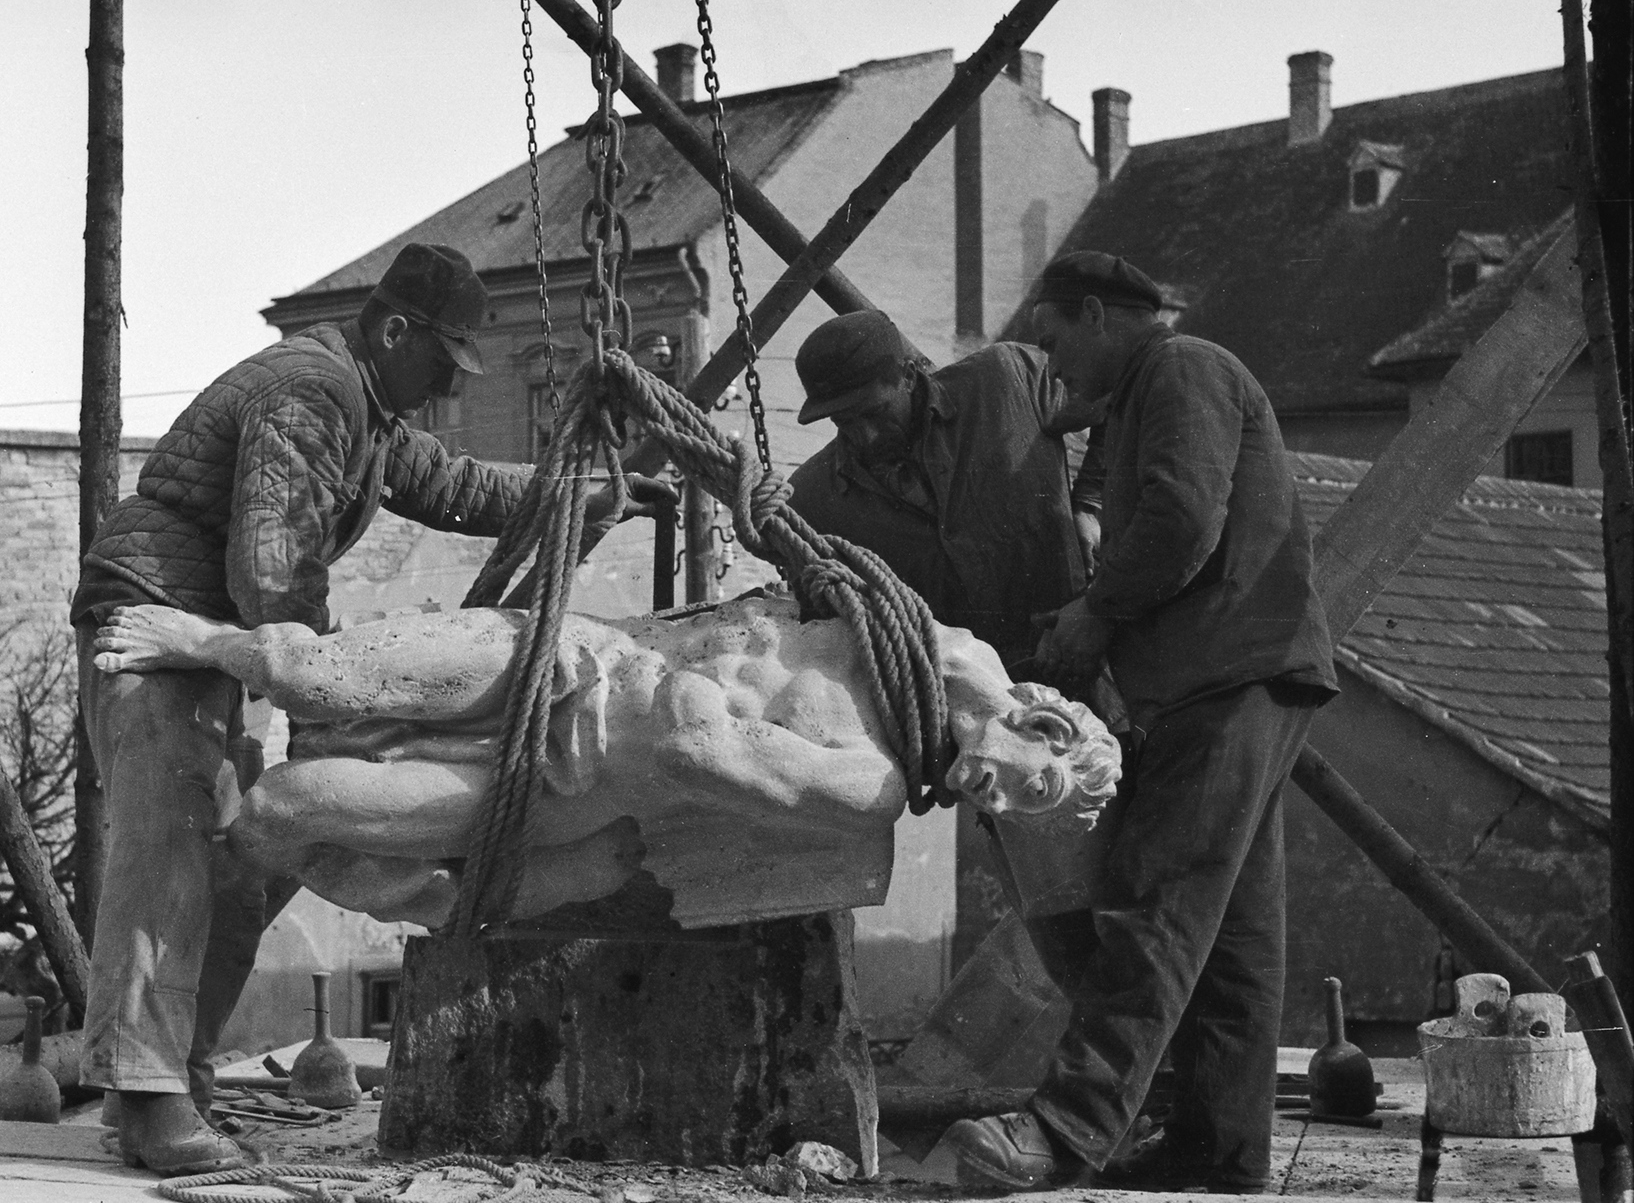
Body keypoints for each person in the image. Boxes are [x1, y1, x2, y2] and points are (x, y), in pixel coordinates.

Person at [70, 243, 671, 1175]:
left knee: (247, 859)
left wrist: (588, 497)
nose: (444, 386)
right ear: (394, 331)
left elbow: (461, 486)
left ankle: (164, 1078)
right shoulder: (312, 393)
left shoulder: (373, 412)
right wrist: (320, 701)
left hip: (211, 637)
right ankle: (148, 1102)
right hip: (150, 621)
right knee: (175, 837)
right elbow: (275, 563)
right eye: (443, 361)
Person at [944, 252, 1336, 1194]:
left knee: (1154, 901)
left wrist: (1097, 614)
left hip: (1226, 676)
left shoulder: (1181, 367)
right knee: (1233, 936)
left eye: (1054, 342)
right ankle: (1222, 1147)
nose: (1050, 366)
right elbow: (1152, 506)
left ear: (1096, 314)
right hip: (1238, 675)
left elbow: (1179, 518)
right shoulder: (1139, 394)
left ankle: (1066, 1130)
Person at [85, 595, 1121, 930]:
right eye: (1033, 779)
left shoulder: (875, 788)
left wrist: (700, 683)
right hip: (572, 654)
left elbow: (695, 742)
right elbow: (947, 659)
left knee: (296, 806)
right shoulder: (930, 645)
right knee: (320, 679)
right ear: (1042, 729)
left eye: (1018, 811)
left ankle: (237, 819)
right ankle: (194, 640)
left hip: (565, 784)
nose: (1002, 796)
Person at [784, 310, 1099, 677]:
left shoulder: (1008, 378)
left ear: (908, 376)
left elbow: (1114, 400)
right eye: (843, 422)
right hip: (957, 700)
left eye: (874, 412)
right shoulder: (809, 501)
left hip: (1080, 649)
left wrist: (1091, 504)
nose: (865, 436)